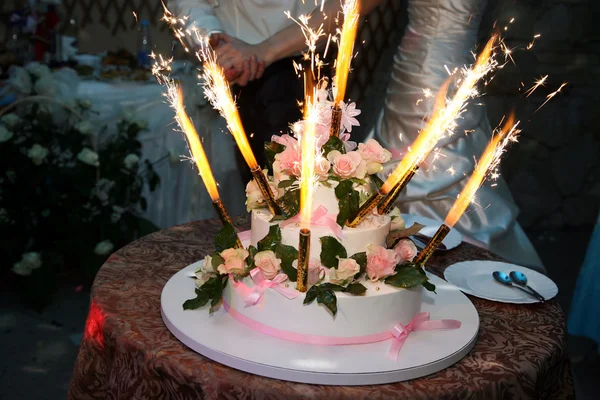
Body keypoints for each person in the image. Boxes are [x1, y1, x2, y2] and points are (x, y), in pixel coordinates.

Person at [372, 0, 544, 270]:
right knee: (422, 157)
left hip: (431, 69)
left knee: (427, 160)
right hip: (438, 62)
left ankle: (421, 262)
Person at [170, 0, 380, 174]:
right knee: (254, 186)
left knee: (302, 185)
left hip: (304, 66)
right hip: (232, 69)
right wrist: (212, 41)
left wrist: (264, 51)